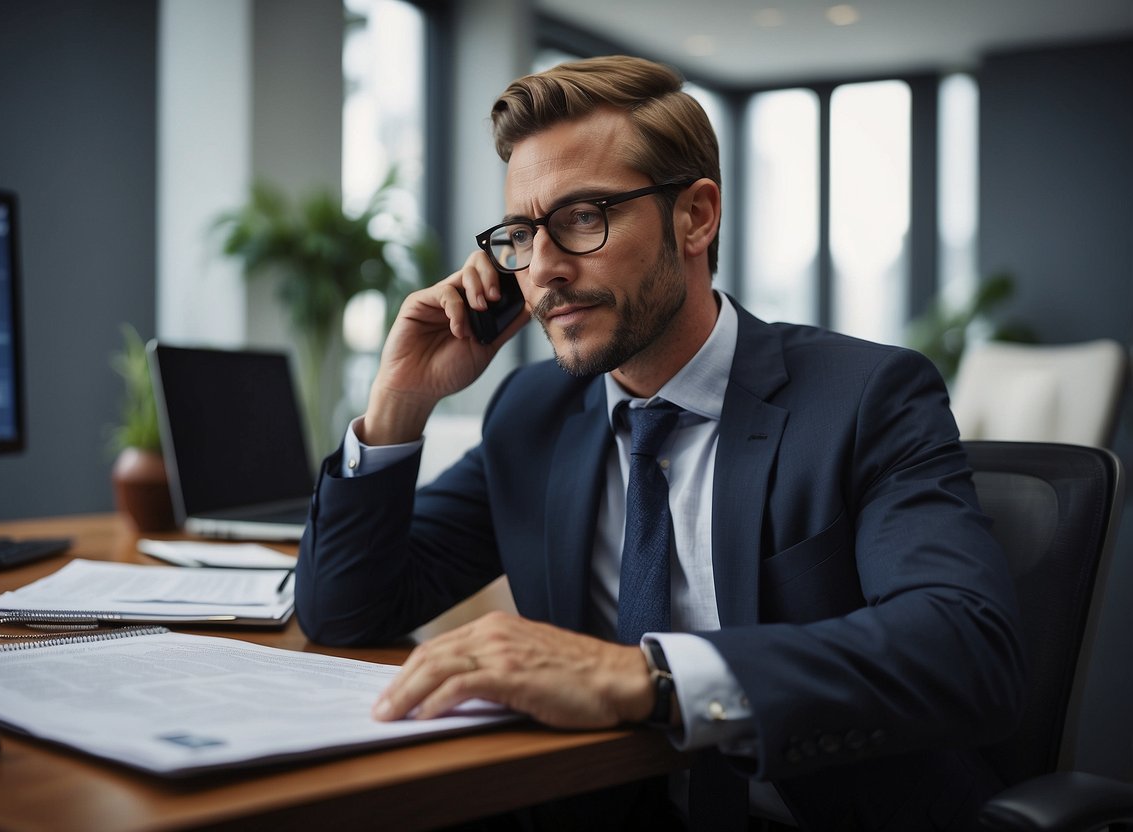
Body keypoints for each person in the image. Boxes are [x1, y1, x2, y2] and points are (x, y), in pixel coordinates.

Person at [295, 55, 1026, 830]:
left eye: (583, 217)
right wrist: (398, 405)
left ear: (694, 217)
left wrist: (646, 677)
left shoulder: (864, 397)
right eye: (520, 233)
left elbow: (964, 648)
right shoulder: (534, 414)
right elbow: (347, 612)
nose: (542, 270)